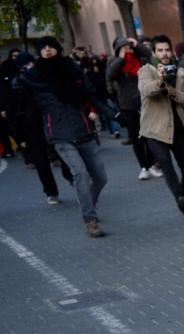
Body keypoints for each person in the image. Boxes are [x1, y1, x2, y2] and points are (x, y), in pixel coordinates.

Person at [15, 36, 114, 237]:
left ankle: (88, 203)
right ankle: (90, 220)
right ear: (39, 53)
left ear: (59, 49)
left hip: (82, 129)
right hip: (58, 134)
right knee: (80, 173)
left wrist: (114, 115)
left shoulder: (72, 70)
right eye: (44, 48)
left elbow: (91, 94)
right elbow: (21, 98)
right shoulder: (34, 78)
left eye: (52, 46)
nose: (48, 50)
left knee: (100, 177)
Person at [138, 35, 184, 217]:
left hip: (179, 128)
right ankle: (179, 198)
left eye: (167, 50)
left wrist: (174, 92)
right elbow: (146, 90)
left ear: (171, 51)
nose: (164, 54)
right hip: (155, 129)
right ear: (154, 52)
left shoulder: (180, 73)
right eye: (160, 50)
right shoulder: (146, 71)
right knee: (165, 162)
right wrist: (160, 81)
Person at [0, 52, 62, 204]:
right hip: (30, 127)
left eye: (31, 63)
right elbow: (13, 112)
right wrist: (20, 136)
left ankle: (70, 177)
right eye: (25, 65)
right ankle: (51, 191)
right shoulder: (15, 83)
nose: (29, 67)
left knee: (63, 153)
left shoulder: (43, 77)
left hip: (50, 122)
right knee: (41, 161)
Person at [107, 36, 161, 180]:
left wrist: (137, 44)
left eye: (130, 48)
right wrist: (121, 58)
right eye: (124, 48)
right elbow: (110, 74)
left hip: (146, 103)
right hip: (128, 106)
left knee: (150, 136)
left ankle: (152, 164)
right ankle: (144, 167)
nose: (128, 51)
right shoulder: (115, 63)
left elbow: (148, 54)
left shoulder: (141, 61)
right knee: (137, 139)